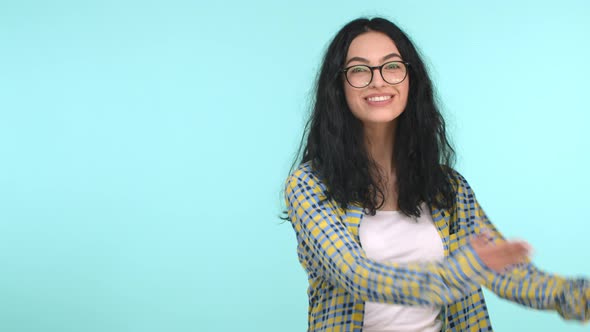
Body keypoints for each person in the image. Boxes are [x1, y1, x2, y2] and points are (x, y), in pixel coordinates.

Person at [283, 17, 589, 332]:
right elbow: (358, 276)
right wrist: (467, 268)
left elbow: (509, 273)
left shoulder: (448, 188)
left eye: (391, 66)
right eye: (360, 70)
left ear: (410, 79)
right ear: (339, 86)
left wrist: (580, 297)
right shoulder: (309, 186)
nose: (378, 81)